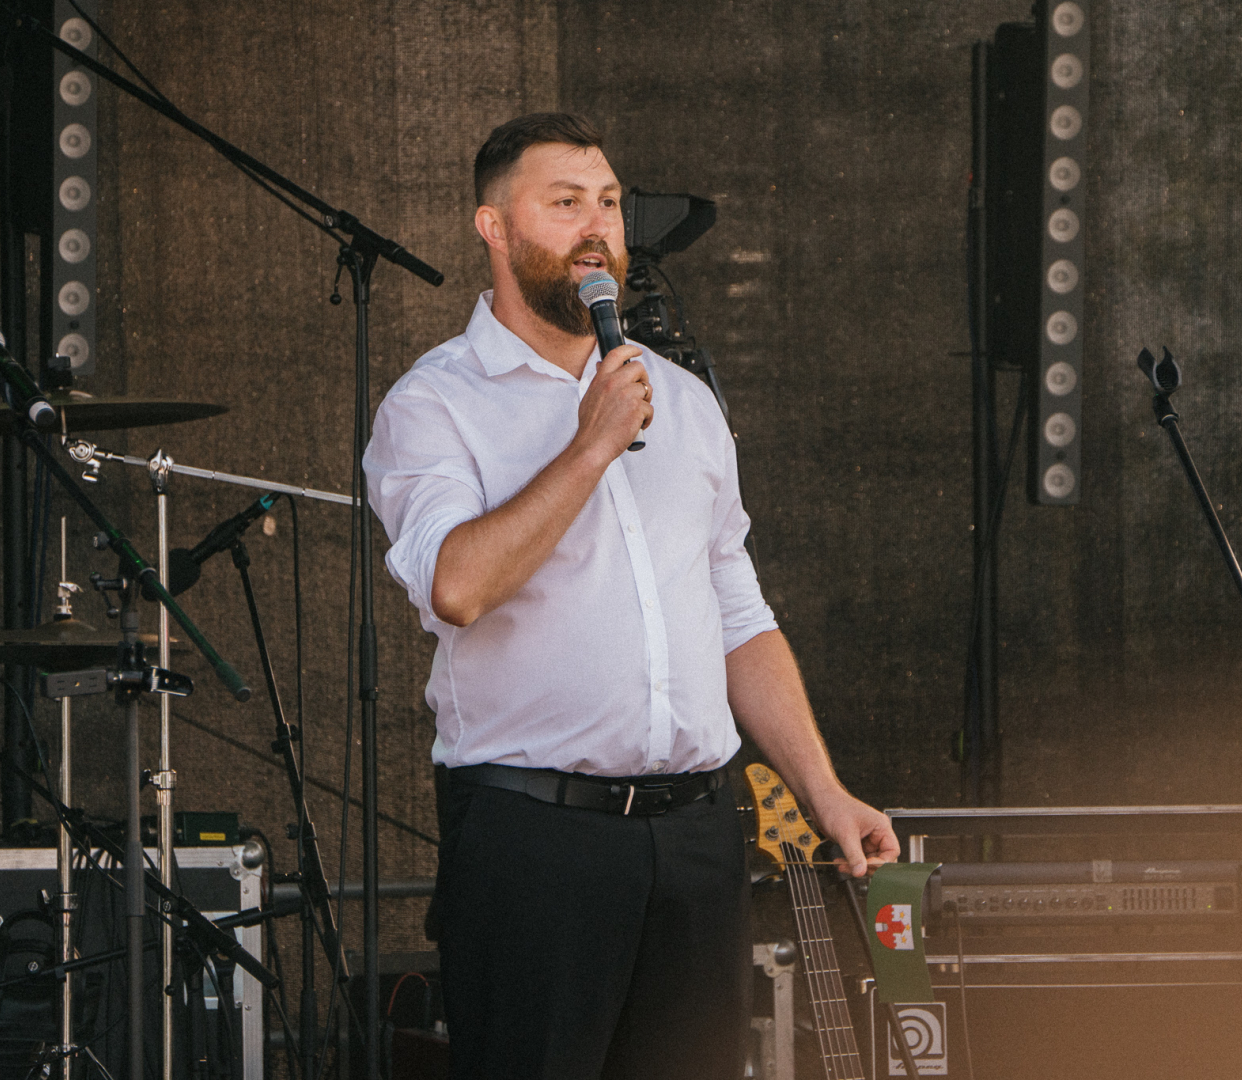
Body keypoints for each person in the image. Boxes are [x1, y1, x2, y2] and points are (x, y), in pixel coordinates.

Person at [363, 112, 899, 1080]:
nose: (596, 227)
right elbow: (457, 586)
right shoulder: (436, 402)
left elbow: (739, 614)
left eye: (608, 203)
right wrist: (591, 445)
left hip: (696, 835)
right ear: (493, 227)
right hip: (537, 838)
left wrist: (823, 792)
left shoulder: (683, 402)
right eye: (565, 203)